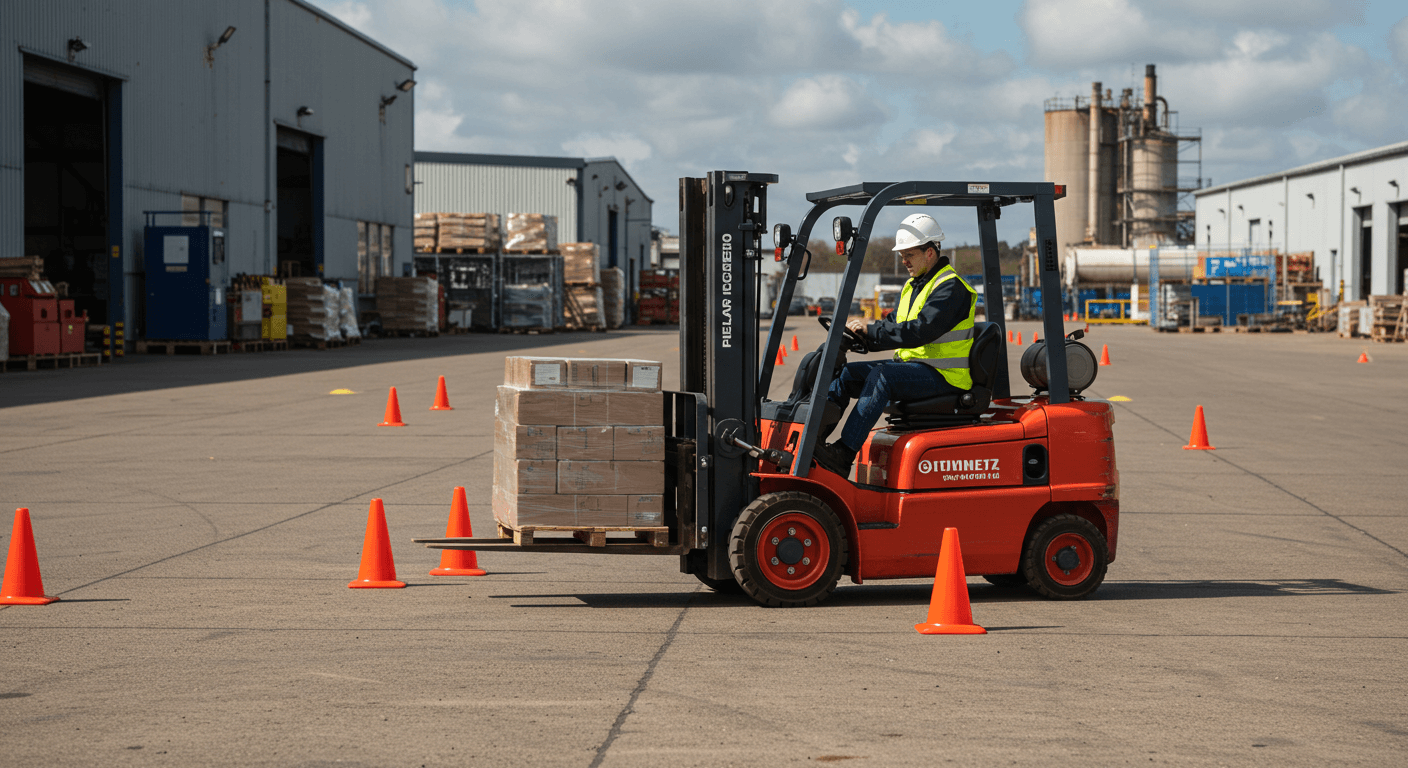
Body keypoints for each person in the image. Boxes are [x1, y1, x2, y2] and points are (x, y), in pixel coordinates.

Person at [811, 213, 977, 477]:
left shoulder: (951, 288)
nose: (904, 260)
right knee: (847, 374)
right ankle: (813, 439)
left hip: (945, 376)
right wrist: (863, 335)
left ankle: (843, 453)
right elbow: (893, 324)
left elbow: (920, 330)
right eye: (902, 255)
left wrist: (871, 330)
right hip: (916, 368)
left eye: (909, 254)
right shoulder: (913, 286)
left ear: (930, 252)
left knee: (882, 377)